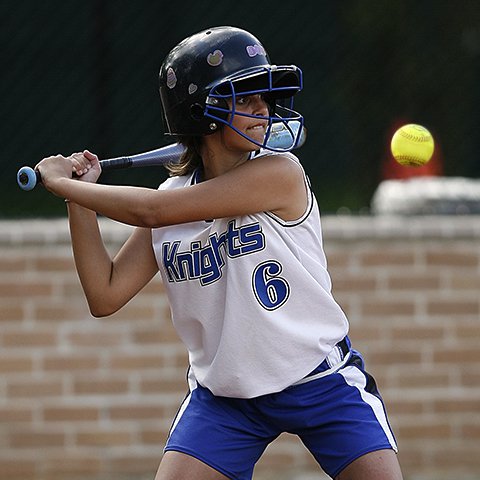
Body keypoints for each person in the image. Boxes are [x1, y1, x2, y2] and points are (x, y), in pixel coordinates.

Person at [36, 26, 403, 480]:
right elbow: (104, 293)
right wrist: (79, 200)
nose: (262, 109)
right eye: (244, 97)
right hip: (226, 399)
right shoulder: (175, 195)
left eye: (263, 98)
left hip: (319, 381)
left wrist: (61, 182)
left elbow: (150, 211)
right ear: (201, 114)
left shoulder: (279, 173)